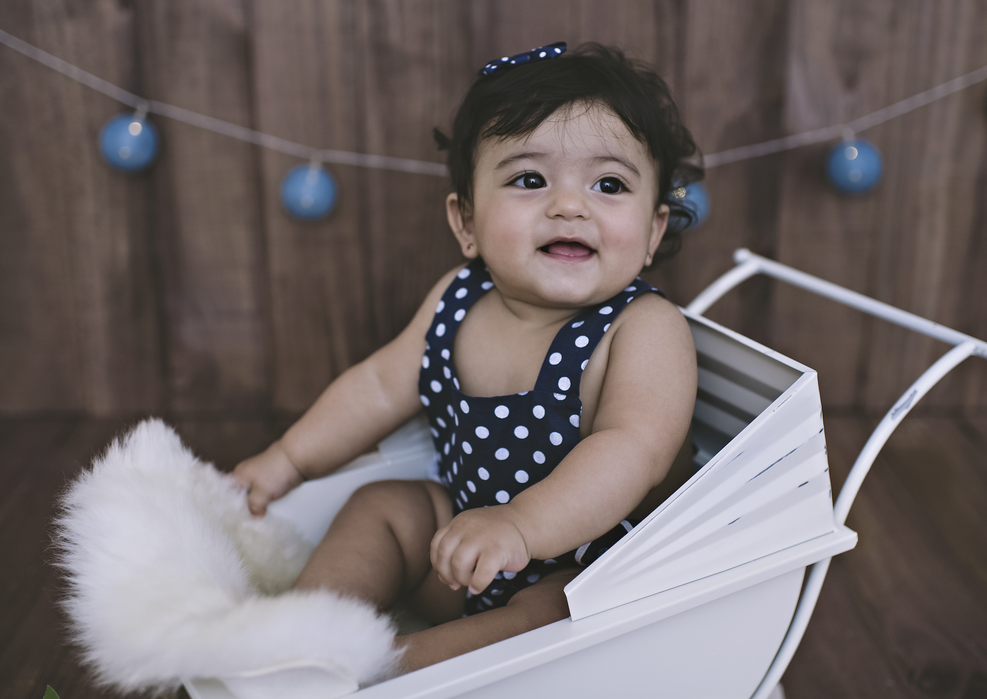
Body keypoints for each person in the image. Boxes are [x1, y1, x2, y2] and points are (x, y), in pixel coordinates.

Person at [232, 42, 704, 673]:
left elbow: (632, 450)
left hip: (578, 563)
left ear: (652, 232)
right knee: (385, 508)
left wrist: (520, 526)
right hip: (461, 545)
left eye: (609, 184)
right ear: (468, 223)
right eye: (529, 179)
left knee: (556, 611)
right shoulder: (457, 298)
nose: (569, 205)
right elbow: (377, 386)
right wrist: (288, 458)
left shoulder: (643, 328)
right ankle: (306, 641)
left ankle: (389, 671)